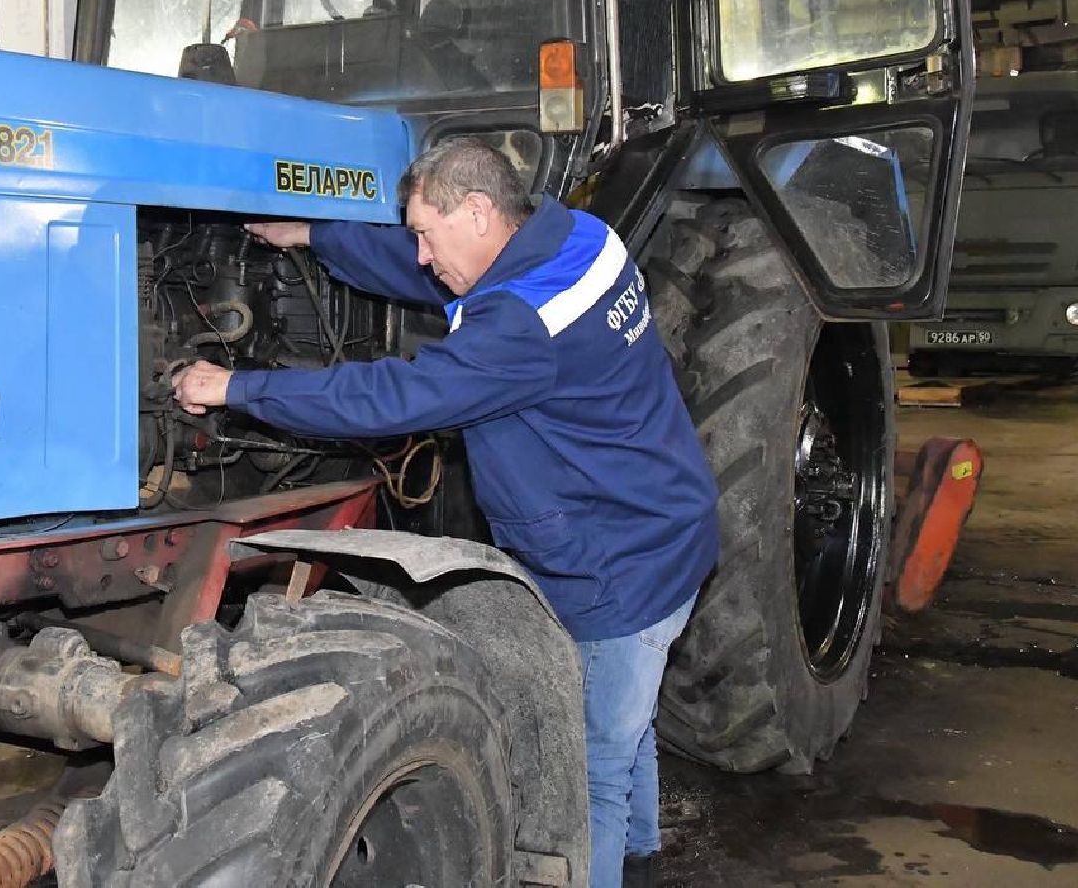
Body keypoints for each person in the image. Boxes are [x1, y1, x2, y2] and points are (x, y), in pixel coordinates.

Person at [172, 136, 718, 888]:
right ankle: (641, 858)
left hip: (615, 563)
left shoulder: (523, 328)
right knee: (626, 725)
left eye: (426, 233)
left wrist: (239, 389)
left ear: (479, 210)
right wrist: (317, 236)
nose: (422, 257)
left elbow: (391, 397)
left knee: (590, 770)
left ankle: (611, 863)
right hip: (667, 517)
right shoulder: (579, 238)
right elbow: (444, 279)